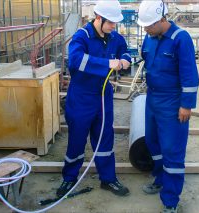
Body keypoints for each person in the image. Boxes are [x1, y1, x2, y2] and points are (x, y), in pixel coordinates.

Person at [56, 0, 131, 197]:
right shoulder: (82, 36)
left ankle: (108, 179)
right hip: (81, 97)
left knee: (105, 138)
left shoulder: (114, 37)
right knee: (77, 139)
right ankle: (69, 178)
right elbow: (76, 60)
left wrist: (124, 60)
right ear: (98, 18)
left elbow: (125, 50)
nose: (114, 27)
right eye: (111, 23)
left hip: (104, 96)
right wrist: (108, 63)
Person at [137, 1, 199, 212]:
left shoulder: (181, 39)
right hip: (153, 99)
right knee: (153, 143)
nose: (145, 29)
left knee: (172, 151)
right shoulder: (150, 36)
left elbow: (189, 73)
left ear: (162, 20)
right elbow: (145, 58)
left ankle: (171, 201)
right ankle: (160, 178)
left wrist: (186, 105)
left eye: (149, 26)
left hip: (173, 103)